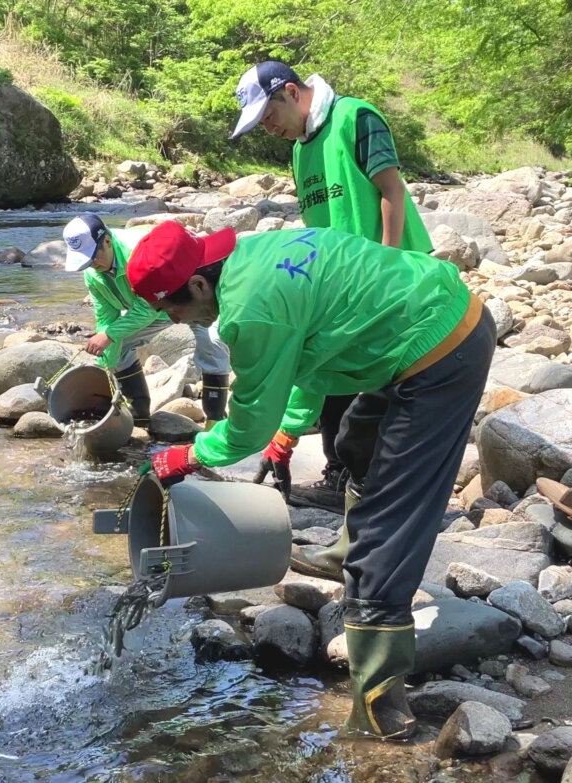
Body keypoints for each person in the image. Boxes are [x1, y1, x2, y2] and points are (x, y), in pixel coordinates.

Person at [127, 221, 494, 739]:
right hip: (415, 320)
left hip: (440, 352)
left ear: (199, 283)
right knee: (353, 443)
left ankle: (380, 708)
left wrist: (189, 454)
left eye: (173, 307)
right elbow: (311, 352)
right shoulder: (252, 254)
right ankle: (344, 551)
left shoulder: (248, 310)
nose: (175, 319)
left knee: (388, 532)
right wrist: (290, 429)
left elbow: (244, 427)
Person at [231, 60, 433, 531]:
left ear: (291, 92)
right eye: (261, 124)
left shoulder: (357, 118)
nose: (270, 128)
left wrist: (386, 267)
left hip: (394, 274)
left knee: (386, 385)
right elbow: (318, 230)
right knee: (335, 373)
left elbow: (391, 191)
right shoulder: (301, 152)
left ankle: (384, 488)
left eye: (269, 116)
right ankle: (342, 475)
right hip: (340, 282)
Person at [62, 214, 231, 428]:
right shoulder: (93, 274)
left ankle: (215, 422)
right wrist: (105, 366)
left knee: (212, 343)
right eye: (85, 260)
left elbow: (147, 307)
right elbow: (106, 317)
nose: (92, 264)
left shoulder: (137, 253)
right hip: (156, 308)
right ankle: (139, 416)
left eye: (93, 256)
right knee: (116, 346)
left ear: (107, 240)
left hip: (188, 299)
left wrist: (110, 334)